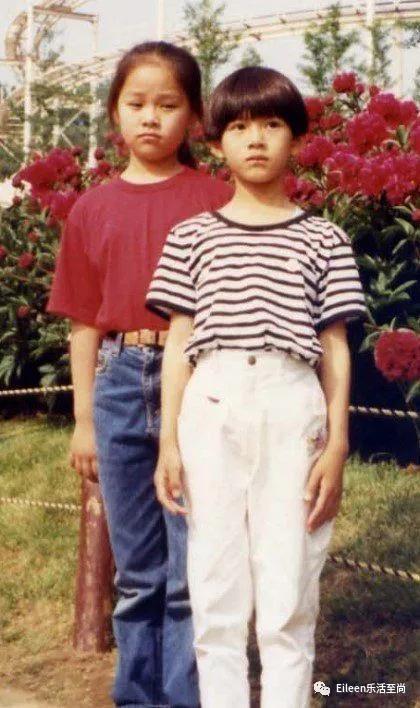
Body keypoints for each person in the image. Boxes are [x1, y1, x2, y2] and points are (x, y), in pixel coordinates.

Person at [146, 66, 367, 708]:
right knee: (215, 587)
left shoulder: (324, 238)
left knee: (288, 587)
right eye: (240, 127)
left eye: (272, 124)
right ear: (218, 143)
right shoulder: (191, 236)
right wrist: (169, 442)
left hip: (291, 403)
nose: (257, 139)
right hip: (212, 402)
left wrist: (337, 443)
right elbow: (179, 344)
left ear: (295, 136)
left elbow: (334, 347)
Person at [47, 41, 232, 708]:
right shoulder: (91, 209)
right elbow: (82, 324)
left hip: (200, 383)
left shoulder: (218, 200)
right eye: (136, 104)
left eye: (168, 104)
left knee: (189, 571)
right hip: (121, 381)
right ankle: (136, 696)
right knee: (137, 572)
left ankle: (185, 697)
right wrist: (83, 420)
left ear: (195, 117)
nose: (151, 117)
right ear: (115, 114)